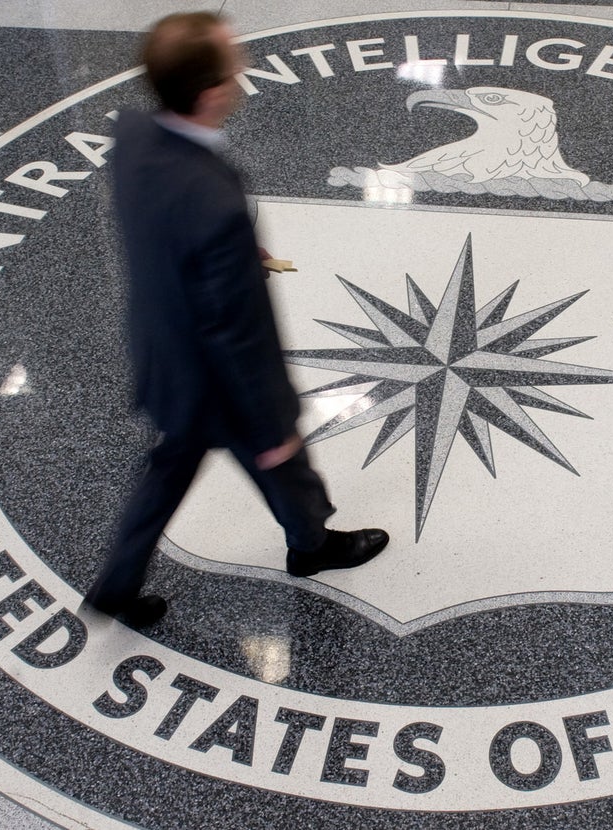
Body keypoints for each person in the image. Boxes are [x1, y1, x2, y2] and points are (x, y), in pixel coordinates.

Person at [84, 11, 388, 629]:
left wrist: (227, 254)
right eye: (232, 66)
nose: (242, 73)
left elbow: (164, 224)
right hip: (217, 380)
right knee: (283, 459)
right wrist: (272, 419)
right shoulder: (213, 205)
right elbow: (236, 332)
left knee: (169, 470)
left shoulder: (135, 134)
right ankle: (311, 547)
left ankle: (116, 584)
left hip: (163, 352)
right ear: (209, 93)